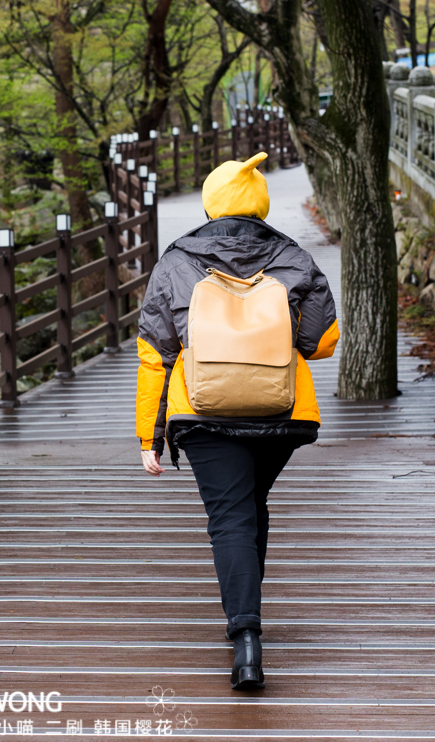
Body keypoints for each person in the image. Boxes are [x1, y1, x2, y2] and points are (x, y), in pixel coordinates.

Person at [134, 151, 338, 691]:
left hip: (202, 413)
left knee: (231, 516)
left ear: (210, 202)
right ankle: (244, 617)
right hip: (280, 412)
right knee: (249, 506)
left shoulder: (175, 261)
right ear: (260, 203)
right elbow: (321, 343)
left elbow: (156, 352)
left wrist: (148, 434)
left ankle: (246, 636)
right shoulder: (294, 258)